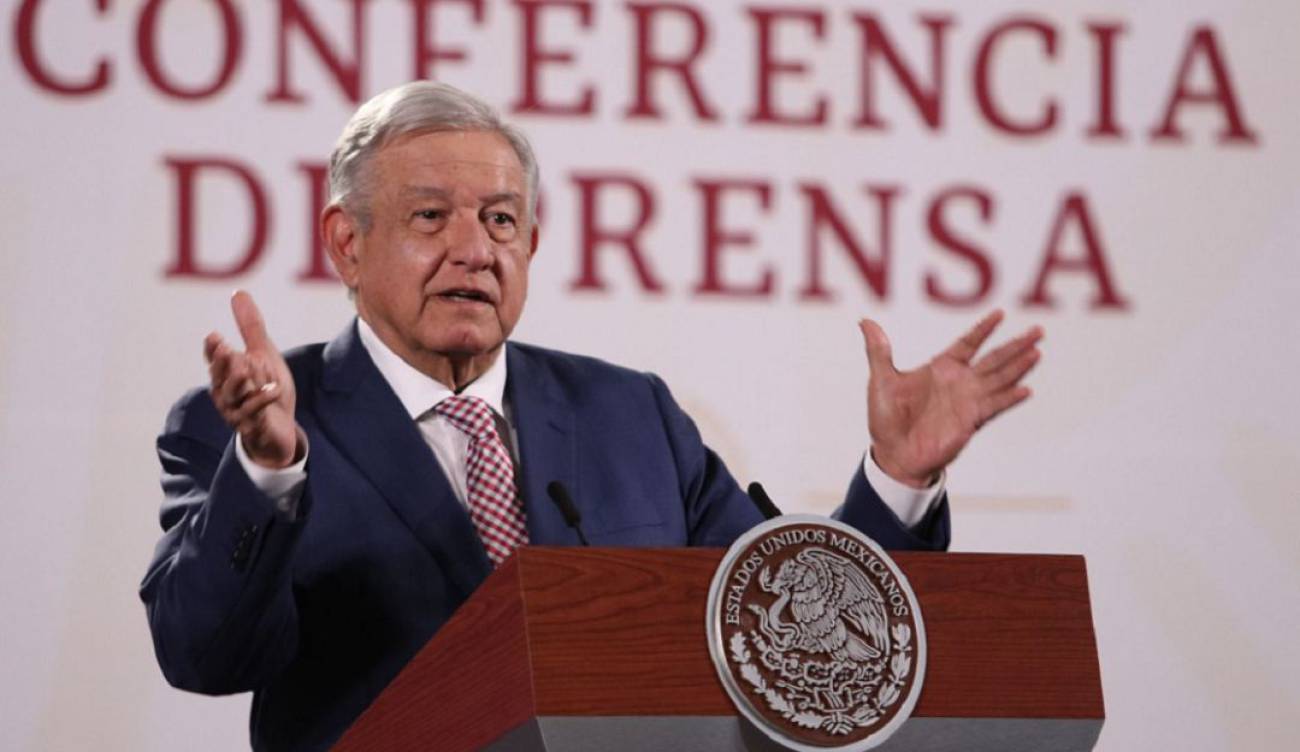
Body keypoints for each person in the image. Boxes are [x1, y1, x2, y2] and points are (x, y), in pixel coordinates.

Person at [140, 81, 1042, 751]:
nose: (474, 250)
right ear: (347, 243)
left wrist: (899, 478)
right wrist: (268, 472)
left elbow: (781, 636)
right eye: (431, 216)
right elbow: (205, 656)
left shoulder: (629, 412)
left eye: (501, 221)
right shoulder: (252, 428)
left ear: (531, 245)